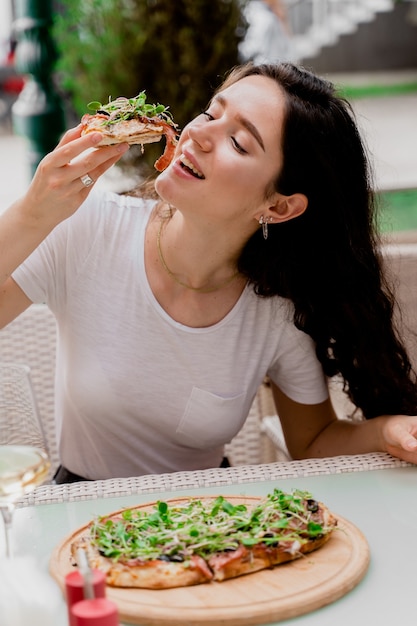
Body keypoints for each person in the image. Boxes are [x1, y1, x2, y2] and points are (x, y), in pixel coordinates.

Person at [2, 62, 417, 483]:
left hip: (208, 524)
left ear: (278, 206)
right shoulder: (90, 228)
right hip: (81, 509)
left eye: (237, 142)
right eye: (210, 114)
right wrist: (32, 214)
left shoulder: (275, 309)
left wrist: (388, 432)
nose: (196, 133)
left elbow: (313, 441)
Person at [239, 0, 293, 64]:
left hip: (274, 66)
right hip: (266, 67)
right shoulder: (263, 17)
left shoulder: (271, 16)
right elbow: (252, 48)